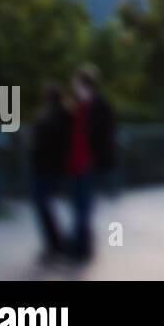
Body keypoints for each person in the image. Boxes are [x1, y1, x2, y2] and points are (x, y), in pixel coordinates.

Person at [66, 65, 117, 262]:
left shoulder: (100, 107)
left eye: (77, 83)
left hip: (88, 163)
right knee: (77, 206)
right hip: (74, 163)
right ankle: (81, 245)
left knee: (83, 207)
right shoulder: (76, 106)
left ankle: (82, 248)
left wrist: (97, 158)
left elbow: (106, 135)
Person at [30, 83, 71, 264]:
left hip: (47, 167)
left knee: (43, 204)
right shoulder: (63, 114)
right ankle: (58, 243)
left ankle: (55, 244)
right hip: (51, 166)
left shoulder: (51, 116)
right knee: (46, 204)